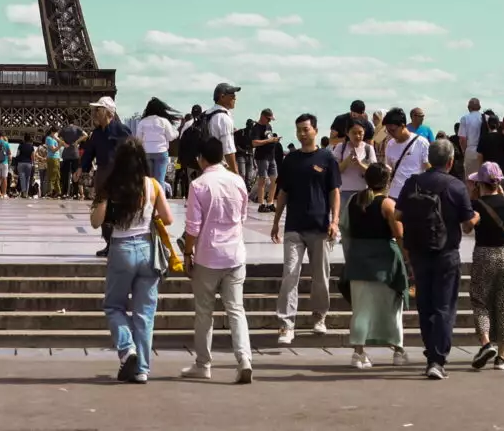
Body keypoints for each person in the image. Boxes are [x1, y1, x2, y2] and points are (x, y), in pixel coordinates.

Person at [171, 130, 252, 381]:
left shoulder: (198, 185)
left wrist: (187, 254)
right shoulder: (238, 181)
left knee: (204, 312)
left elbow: (193, 227)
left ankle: (203, 363)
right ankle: (244, 359)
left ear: (201, 159)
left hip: (208, 256)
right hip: (235, 255)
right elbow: (243, 216)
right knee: (236, 309)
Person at [91, 137, 170, 383]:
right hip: (148, 250)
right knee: (145, 313)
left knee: (114, 306)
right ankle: (143, 370)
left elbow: (96, 222)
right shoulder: (153, 185)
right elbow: (167, 219)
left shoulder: (111, 186)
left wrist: (104, 199)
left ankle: (127, 349)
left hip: (122, 248)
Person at [397, 137, 475, 378]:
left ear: (429, 160)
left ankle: (431, 351)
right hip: (446, 253)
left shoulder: (412, 183)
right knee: (444, 307)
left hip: (419, 252)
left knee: (425, 305)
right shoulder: (456, 186)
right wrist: (477, 217)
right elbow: (469, 225)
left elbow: (398, 214)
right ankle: (437, 359)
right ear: (451, 161)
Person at [269, 112, 340, 345]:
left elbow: (334, 191)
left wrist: (335, 220)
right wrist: (276, 220)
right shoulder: (290, 160)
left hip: (320, 226)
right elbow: (283, 193)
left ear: (315, 131)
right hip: (294, 227)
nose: (302, 133)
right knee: (290, 274)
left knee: (321, 276)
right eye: (299, 129)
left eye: (306, 129)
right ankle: (286, 324)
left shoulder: (327, 159)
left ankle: (319, 317)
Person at [340, 147, 405, 370]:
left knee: (361, 309)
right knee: (392, 308)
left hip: (358, 261)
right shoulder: (388, 204)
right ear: (387, 182)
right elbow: (399, 234)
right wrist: (408, 259)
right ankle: (397, 350)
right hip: (385, 262)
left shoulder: (353, 202)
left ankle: (358, 353)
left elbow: (345, 230)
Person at [465, 160, 504, 371]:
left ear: (480, 183)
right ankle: (502, 356)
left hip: (484, 253)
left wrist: (471, 199)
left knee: (480, 301)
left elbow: (467, 228)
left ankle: (486, 343)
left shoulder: (477, 205)